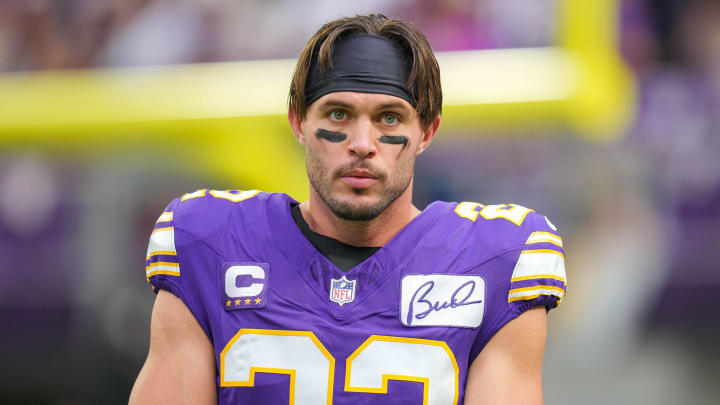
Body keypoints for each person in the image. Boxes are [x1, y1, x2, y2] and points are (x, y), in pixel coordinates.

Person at [129, 13, 566, 405]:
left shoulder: (496, 260)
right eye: (338, 114)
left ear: (427, 131)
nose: (361, 143)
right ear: (299, 122)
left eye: (389, 118)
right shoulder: (208, 242)